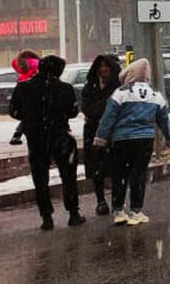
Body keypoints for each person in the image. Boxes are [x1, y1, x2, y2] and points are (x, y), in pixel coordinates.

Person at [95, 59, 170, 226]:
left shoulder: (120, 93)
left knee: (119, 175)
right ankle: (136, 211)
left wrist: (101, 139)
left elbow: (108, 118)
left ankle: (118, 211)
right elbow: (164, 121)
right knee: (138, 175)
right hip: (145, 141)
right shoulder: (156, 94)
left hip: (121, 140)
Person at [9, 55, 84, 230]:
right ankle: (73, 213)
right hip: (60, 136)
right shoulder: (65, 88)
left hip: (36, 138)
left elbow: (13, 111)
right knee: (68, 176)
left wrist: (31, 118)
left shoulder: (23, 88)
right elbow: (73, 112)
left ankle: (46, 216)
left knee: (40, 178)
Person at [81, 54, 122, 216]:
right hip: (93, 132)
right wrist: (106, 107)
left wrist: (103, 110)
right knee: (96, 167)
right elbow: (88, 109)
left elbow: (118, 110)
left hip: (113, 132)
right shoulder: (89, 87)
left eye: (107, 66)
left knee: (115, 167)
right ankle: (100, 201)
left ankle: (116, 201)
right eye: (101, 66)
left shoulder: (118, 87)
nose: (103, 69)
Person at [8, 49, 40, 146]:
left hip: (22, 86)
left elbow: (15, 64)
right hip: (34, 88)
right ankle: (18, 134)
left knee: (27, 114)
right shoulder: (35, 62)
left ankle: (17, 135)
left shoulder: (19, 63)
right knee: (34, 114)